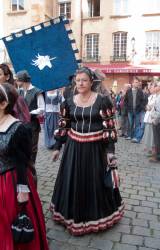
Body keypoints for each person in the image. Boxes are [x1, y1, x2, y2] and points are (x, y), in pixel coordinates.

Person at [50, 67, 124, 235]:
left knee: (95, 182)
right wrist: (57, 147)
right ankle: (71, 215)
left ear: (91, 82)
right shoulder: (68, 101)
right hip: (73, 149)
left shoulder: (102, 101)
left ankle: (97, 216)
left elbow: (109, 127)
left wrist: (110, 151)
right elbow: (64, 125)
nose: (81, 83)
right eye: (78, 80)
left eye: (84, 80)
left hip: (95, 149)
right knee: (72, 180)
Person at [0, 82, 49, 250]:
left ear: (3, 104)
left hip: (10, 181)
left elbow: (23, 162)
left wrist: (22, 190)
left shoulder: (19, 129)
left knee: (8, 223)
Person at [16, 70, 45, 183]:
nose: (16, 81)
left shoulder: (37, 91)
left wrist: (29, 113)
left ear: (22, 80)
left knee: (32, 150)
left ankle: (32, 175)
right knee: (22, 149)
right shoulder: (19, 92)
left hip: (32, 125)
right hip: (21, 125)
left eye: (17, 79)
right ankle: (24, 173)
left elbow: (42, 109)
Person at [124, 77, 145, 143]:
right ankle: (131, 135)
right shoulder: (128, 91)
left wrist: (140, 107)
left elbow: (143, 101)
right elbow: (126, 101)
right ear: (132, 83)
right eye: (135, 82)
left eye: (137, 82)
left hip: (138, 111)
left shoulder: (140, 91)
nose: (137, 84)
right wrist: (127, 108)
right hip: (130, 111)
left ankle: (136, 137)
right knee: (131, 124)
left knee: (137, 124)